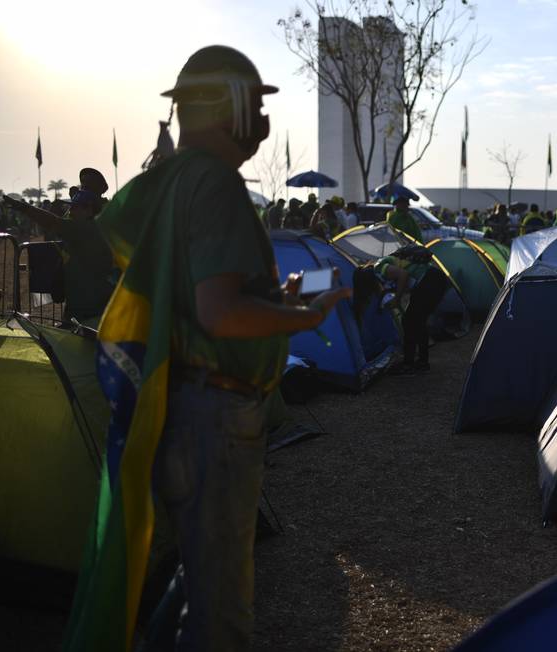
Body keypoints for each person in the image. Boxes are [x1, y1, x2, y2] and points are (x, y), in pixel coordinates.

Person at [64, 45, 351, 651]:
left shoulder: (171, 182)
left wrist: (273, 294)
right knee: (220, 613)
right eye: (255, 105)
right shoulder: (216, 183)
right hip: (216, 419)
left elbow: (202, 294)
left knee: (196, 582)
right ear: (229, 108)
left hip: (186, 409)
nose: (262, 122)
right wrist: (299, 314)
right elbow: (221, 313)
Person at [2, 187, 114, 325]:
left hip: (88, 307)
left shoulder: (83, 228)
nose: (70, 212)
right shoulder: (96, 228)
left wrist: (24, 208)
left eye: (75, 208)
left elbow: (52, 222)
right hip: (86, 303)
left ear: (89, 210)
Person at [374, 247, 447, 373]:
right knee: (418, 322)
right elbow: (407, 283)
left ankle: (408, 364)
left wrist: (397, 299)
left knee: (409, 322)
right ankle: (422, 362)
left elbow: (404, 275)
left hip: (429, 280)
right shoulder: (395, 262)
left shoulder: (379, 267)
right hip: (437, 278)